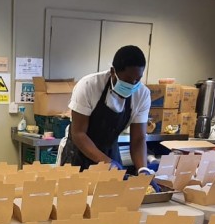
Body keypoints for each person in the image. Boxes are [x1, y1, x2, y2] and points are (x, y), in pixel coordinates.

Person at [60, 45, 151, 177]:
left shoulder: (142, 94)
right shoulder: (88, 86)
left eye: (137, 80)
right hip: (78, 153)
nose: (132, 85)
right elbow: (78, 133)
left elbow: (138, 139)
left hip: (110, 151)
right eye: (127, 81)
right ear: (113, 71)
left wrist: (143, 170)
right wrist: (106, 163)